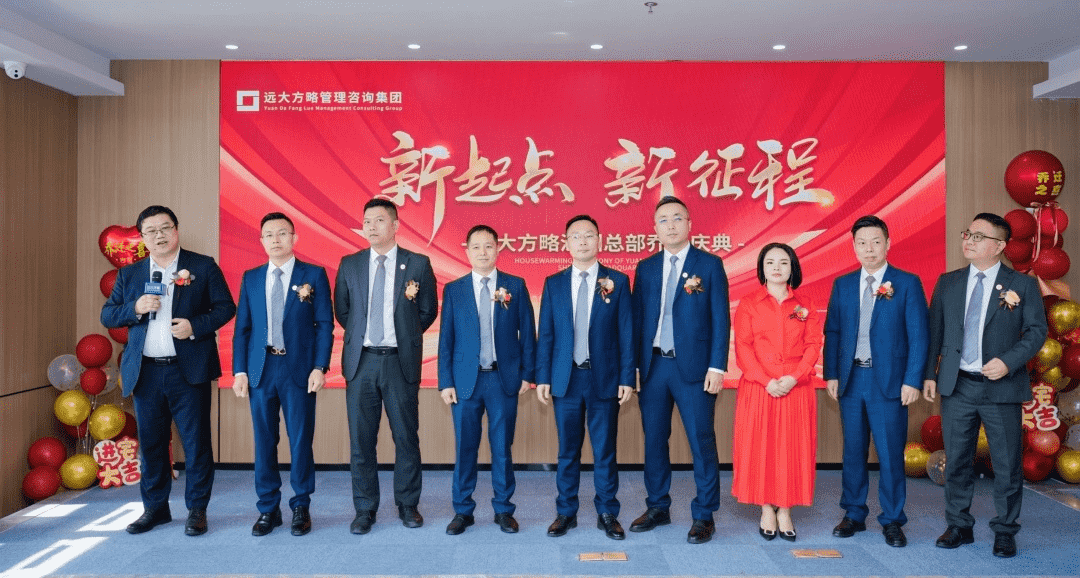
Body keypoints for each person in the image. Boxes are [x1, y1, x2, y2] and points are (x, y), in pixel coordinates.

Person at [101, 205, 236, 536]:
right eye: (151, 231)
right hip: (146, 372)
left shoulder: (201, 266)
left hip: (187, 371)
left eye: (165, 228)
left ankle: (197, 510)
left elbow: (225, 307)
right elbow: (108, 315)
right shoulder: (130, 275)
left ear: (176, 230)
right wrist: (135, 308)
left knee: (196, 443)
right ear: (142, 237)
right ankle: (155, 509)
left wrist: (194, 326)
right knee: (151, 444)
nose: (159, 235)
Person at [923, 212, 1047, 558]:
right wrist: (930, 374)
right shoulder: (948, 282)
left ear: (999, 246)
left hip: (1001, 386)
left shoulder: (1021, 285)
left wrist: (1008, 361)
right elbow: (935, 333)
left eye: (978, 236)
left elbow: (1037, 331)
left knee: (1006, 464)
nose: (969, 241)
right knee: (957, 460)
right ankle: (959, 525)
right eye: (968, 234)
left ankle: (1005, 530)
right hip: (958, 385)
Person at [822, 215, 928, 548]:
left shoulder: (907, 283)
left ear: (888, 243)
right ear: (854, 247)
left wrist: (912, 379)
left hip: (890, 383)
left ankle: (893, 519)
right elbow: (833, 332)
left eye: (876, 242)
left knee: (890, 453)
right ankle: (854, 513)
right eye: (862, 243)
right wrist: (832, 373)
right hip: (852, 379)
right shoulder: (843, 284)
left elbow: (919, 335)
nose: (869, 249)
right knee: (853, 451)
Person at [334, 198, 438, 534]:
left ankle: (408, 504)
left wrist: (404, 335)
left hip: (399, 361)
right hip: (361, 362)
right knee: (361, 440)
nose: (371, 226)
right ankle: (365, 508)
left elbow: (427, 310)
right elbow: (344, 311)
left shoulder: (417, 264)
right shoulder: (350, 264)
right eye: (367, 221)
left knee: (406, 436)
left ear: (395, 225)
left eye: (379, 220)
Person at [630, 196, 729, 544]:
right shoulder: (645, 268)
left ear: (689, 224)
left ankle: (704, 514)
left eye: (676, 218)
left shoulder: (710, 264)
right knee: (655, 440)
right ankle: (658, 506)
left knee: (702, 440)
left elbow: (721, 318)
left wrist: (718, 366)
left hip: (696, 369)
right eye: (663, 220)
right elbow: (636, 321)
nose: (670, 225)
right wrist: (634, 368)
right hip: (654, 366)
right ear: (654, 228)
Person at [231, 212, 334, 537]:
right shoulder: (251, 277)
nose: (275, 240)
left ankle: (301, 505)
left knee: (301, 440)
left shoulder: (313, 275)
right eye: (269, 235)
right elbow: (243, 328)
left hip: (299, 370)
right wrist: (239, 371)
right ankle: (268, 508)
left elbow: (324, 325)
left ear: (294, 238)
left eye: (282, 233)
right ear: (261, 241)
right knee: (264, 441)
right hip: (261, 370)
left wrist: (320, 366)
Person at [536, 214, 634, 540]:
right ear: (566, 243)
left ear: (599, 241)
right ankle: (566, 512)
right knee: (567, 450)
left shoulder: (617, 281)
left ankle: (607, 511)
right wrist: (543, 377)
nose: (582, 241)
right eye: (575, 236)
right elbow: (546, 334)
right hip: (566, 379)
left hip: (603, 377)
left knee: (604, 450)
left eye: (588, 235)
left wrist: (627, 377)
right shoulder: (554, 283)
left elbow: (626, 333)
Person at [438, 224, 536, 535]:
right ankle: (463, 510)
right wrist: (445, 382)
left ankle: (504, 509)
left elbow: (527, 334)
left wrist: (527, 374)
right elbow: (446, 339)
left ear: (498, 249)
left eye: (489, 246)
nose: (483, 252)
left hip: (502, 380)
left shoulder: (514, 285)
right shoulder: (454, 290)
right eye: (476, 246)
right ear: (467, 250)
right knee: (465, 448)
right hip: (465, 382)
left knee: (502, 447)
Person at [731, 243, 821, 542]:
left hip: (796, 386)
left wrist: (795, 377)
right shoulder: (749, 303)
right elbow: (743, 348)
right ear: (762, 268)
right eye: (770, 262)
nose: (777, 268)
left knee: (792, 449)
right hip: (760, 387)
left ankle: (785, 508)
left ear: (793, 267)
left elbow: (813, 345)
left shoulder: (805, 303)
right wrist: (766, 380)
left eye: (783, 262)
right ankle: (766, 507)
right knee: (762, 448)